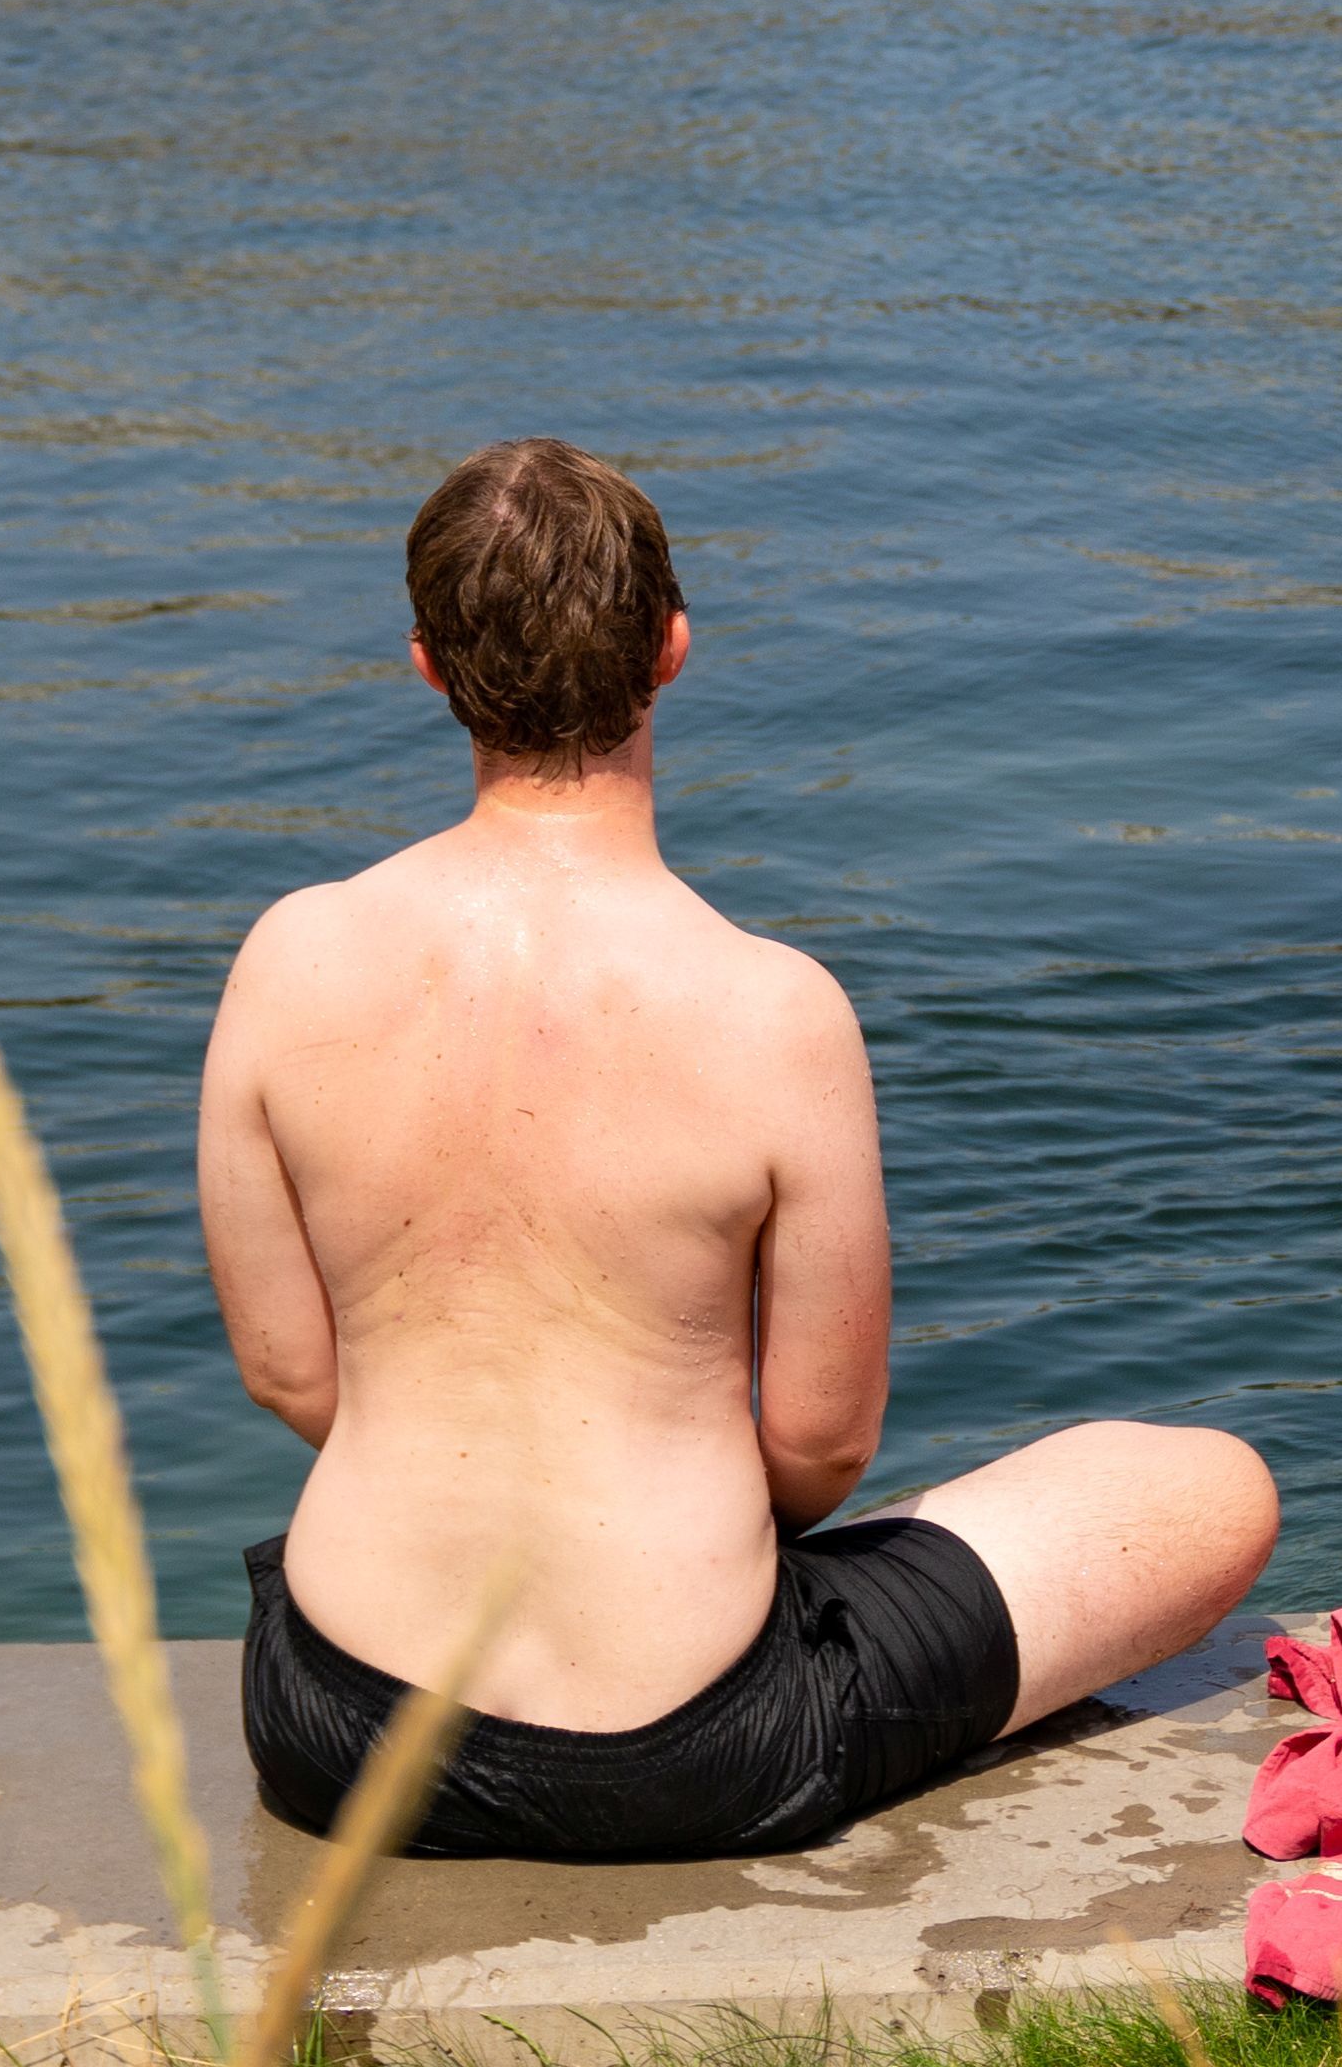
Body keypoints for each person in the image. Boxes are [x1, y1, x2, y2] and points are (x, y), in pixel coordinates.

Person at [197, 442, 1285, 1861]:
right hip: (687, 1749)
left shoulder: (290, 959)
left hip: (337, 1727)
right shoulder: (773, 1013)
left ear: (425, 664)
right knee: (1213, 1492)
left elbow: (289, 1370)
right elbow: (823, 1446)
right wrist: (668, 1519)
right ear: (672, 649)